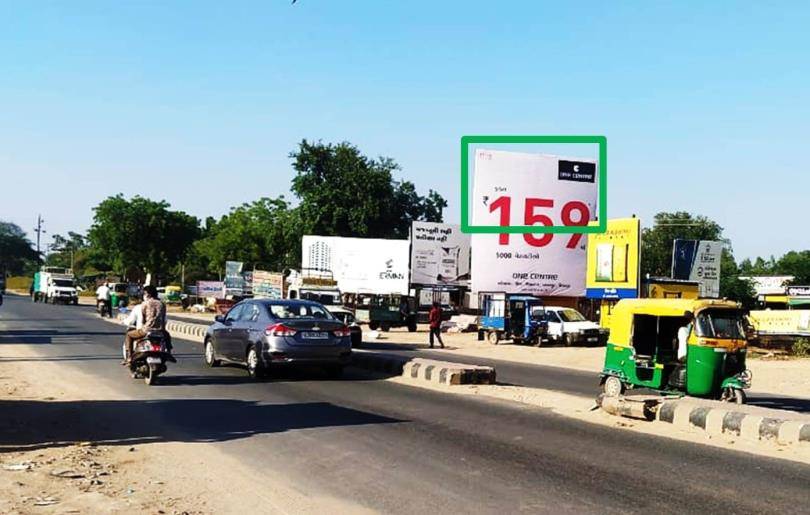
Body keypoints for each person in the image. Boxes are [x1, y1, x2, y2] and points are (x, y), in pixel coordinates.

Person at [122, 285, 167, 365]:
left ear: (147, 294)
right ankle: (168, 351)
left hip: (146, 330)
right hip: (160, 331)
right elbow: (164, 319)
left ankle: (129, 357)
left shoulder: (144, 304)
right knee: (167, 337)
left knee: (129, 335)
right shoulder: (162, 304)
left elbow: (143, 319)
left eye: (144, 293)